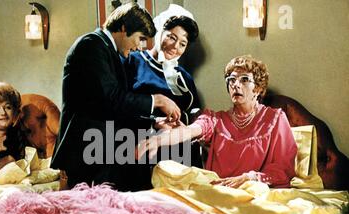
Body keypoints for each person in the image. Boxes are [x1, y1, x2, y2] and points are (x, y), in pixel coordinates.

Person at [51, 3, 182, 191]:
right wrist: (159, 100)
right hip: (85, 153)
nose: (139, 47)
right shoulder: (90, 45)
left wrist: (153, 122)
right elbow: (112, 98)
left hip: (100, 150)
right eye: (140, 38)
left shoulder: (107, 50)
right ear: (123, 28)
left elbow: (113, 107)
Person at [137, 55, 298, 188]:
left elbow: (283, 169)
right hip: (218, 190)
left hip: (256, 190)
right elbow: (190, 131)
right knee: (164, 172)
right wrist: (158, 140)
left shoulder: (274, 118)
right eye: (232, 80)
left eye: (244, 80)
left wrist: (249, 178)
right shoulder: (215, 119)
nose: (236, 85)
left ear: (258, 88)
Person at [123, 5, 202, 188]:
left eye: (182, 44)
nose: (175, 47)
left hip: (176, 146)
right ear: (159, 32)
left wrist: (182, 125)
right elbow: (120, 103)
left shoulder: (184, 78)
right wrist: (153, 122)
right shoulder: (134, 61)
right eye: (171, 37)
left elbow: (194, 113)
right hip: (136, 139)